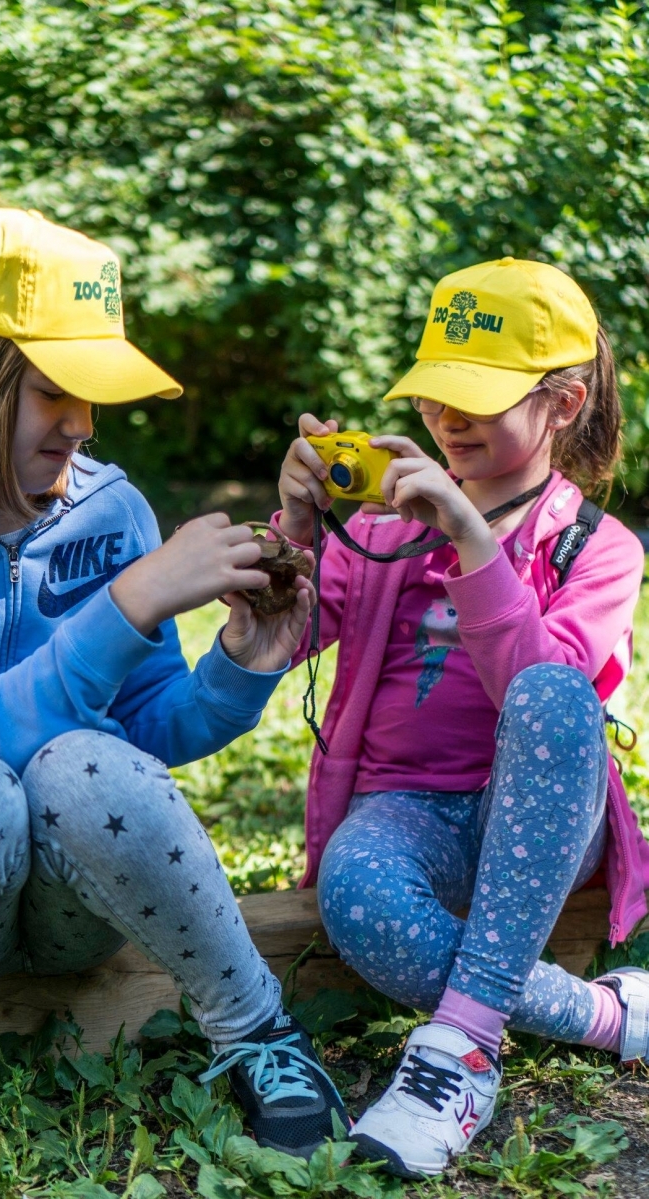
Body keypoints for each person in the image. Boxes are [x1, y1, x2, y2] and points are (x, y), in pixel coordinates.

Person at [0, 207, 350, 1163]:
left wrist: (245, 658)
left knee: (87, 758)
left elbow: (149, 733)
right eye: (55, 393)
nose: (81, 425)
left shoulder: (111, 506)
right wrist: (131, 598)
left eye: (93, 398)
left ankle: (257, 1034)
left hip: (82, 907)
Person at [277, 257, 649, 1179]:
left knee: (558, 694)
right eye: (435, 392)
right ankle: (603, 1015)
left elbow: (548, 695)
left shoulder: (597, 547)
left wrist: (472, 539)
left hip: (532, 821)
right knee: (357, 893)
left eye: (477, 396)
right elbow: (282, 640)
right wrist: (296, 528)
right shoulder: (383, 525)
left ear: (561, 404)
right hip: (407, 808)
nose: (445, 418)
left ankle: (460, 1051)